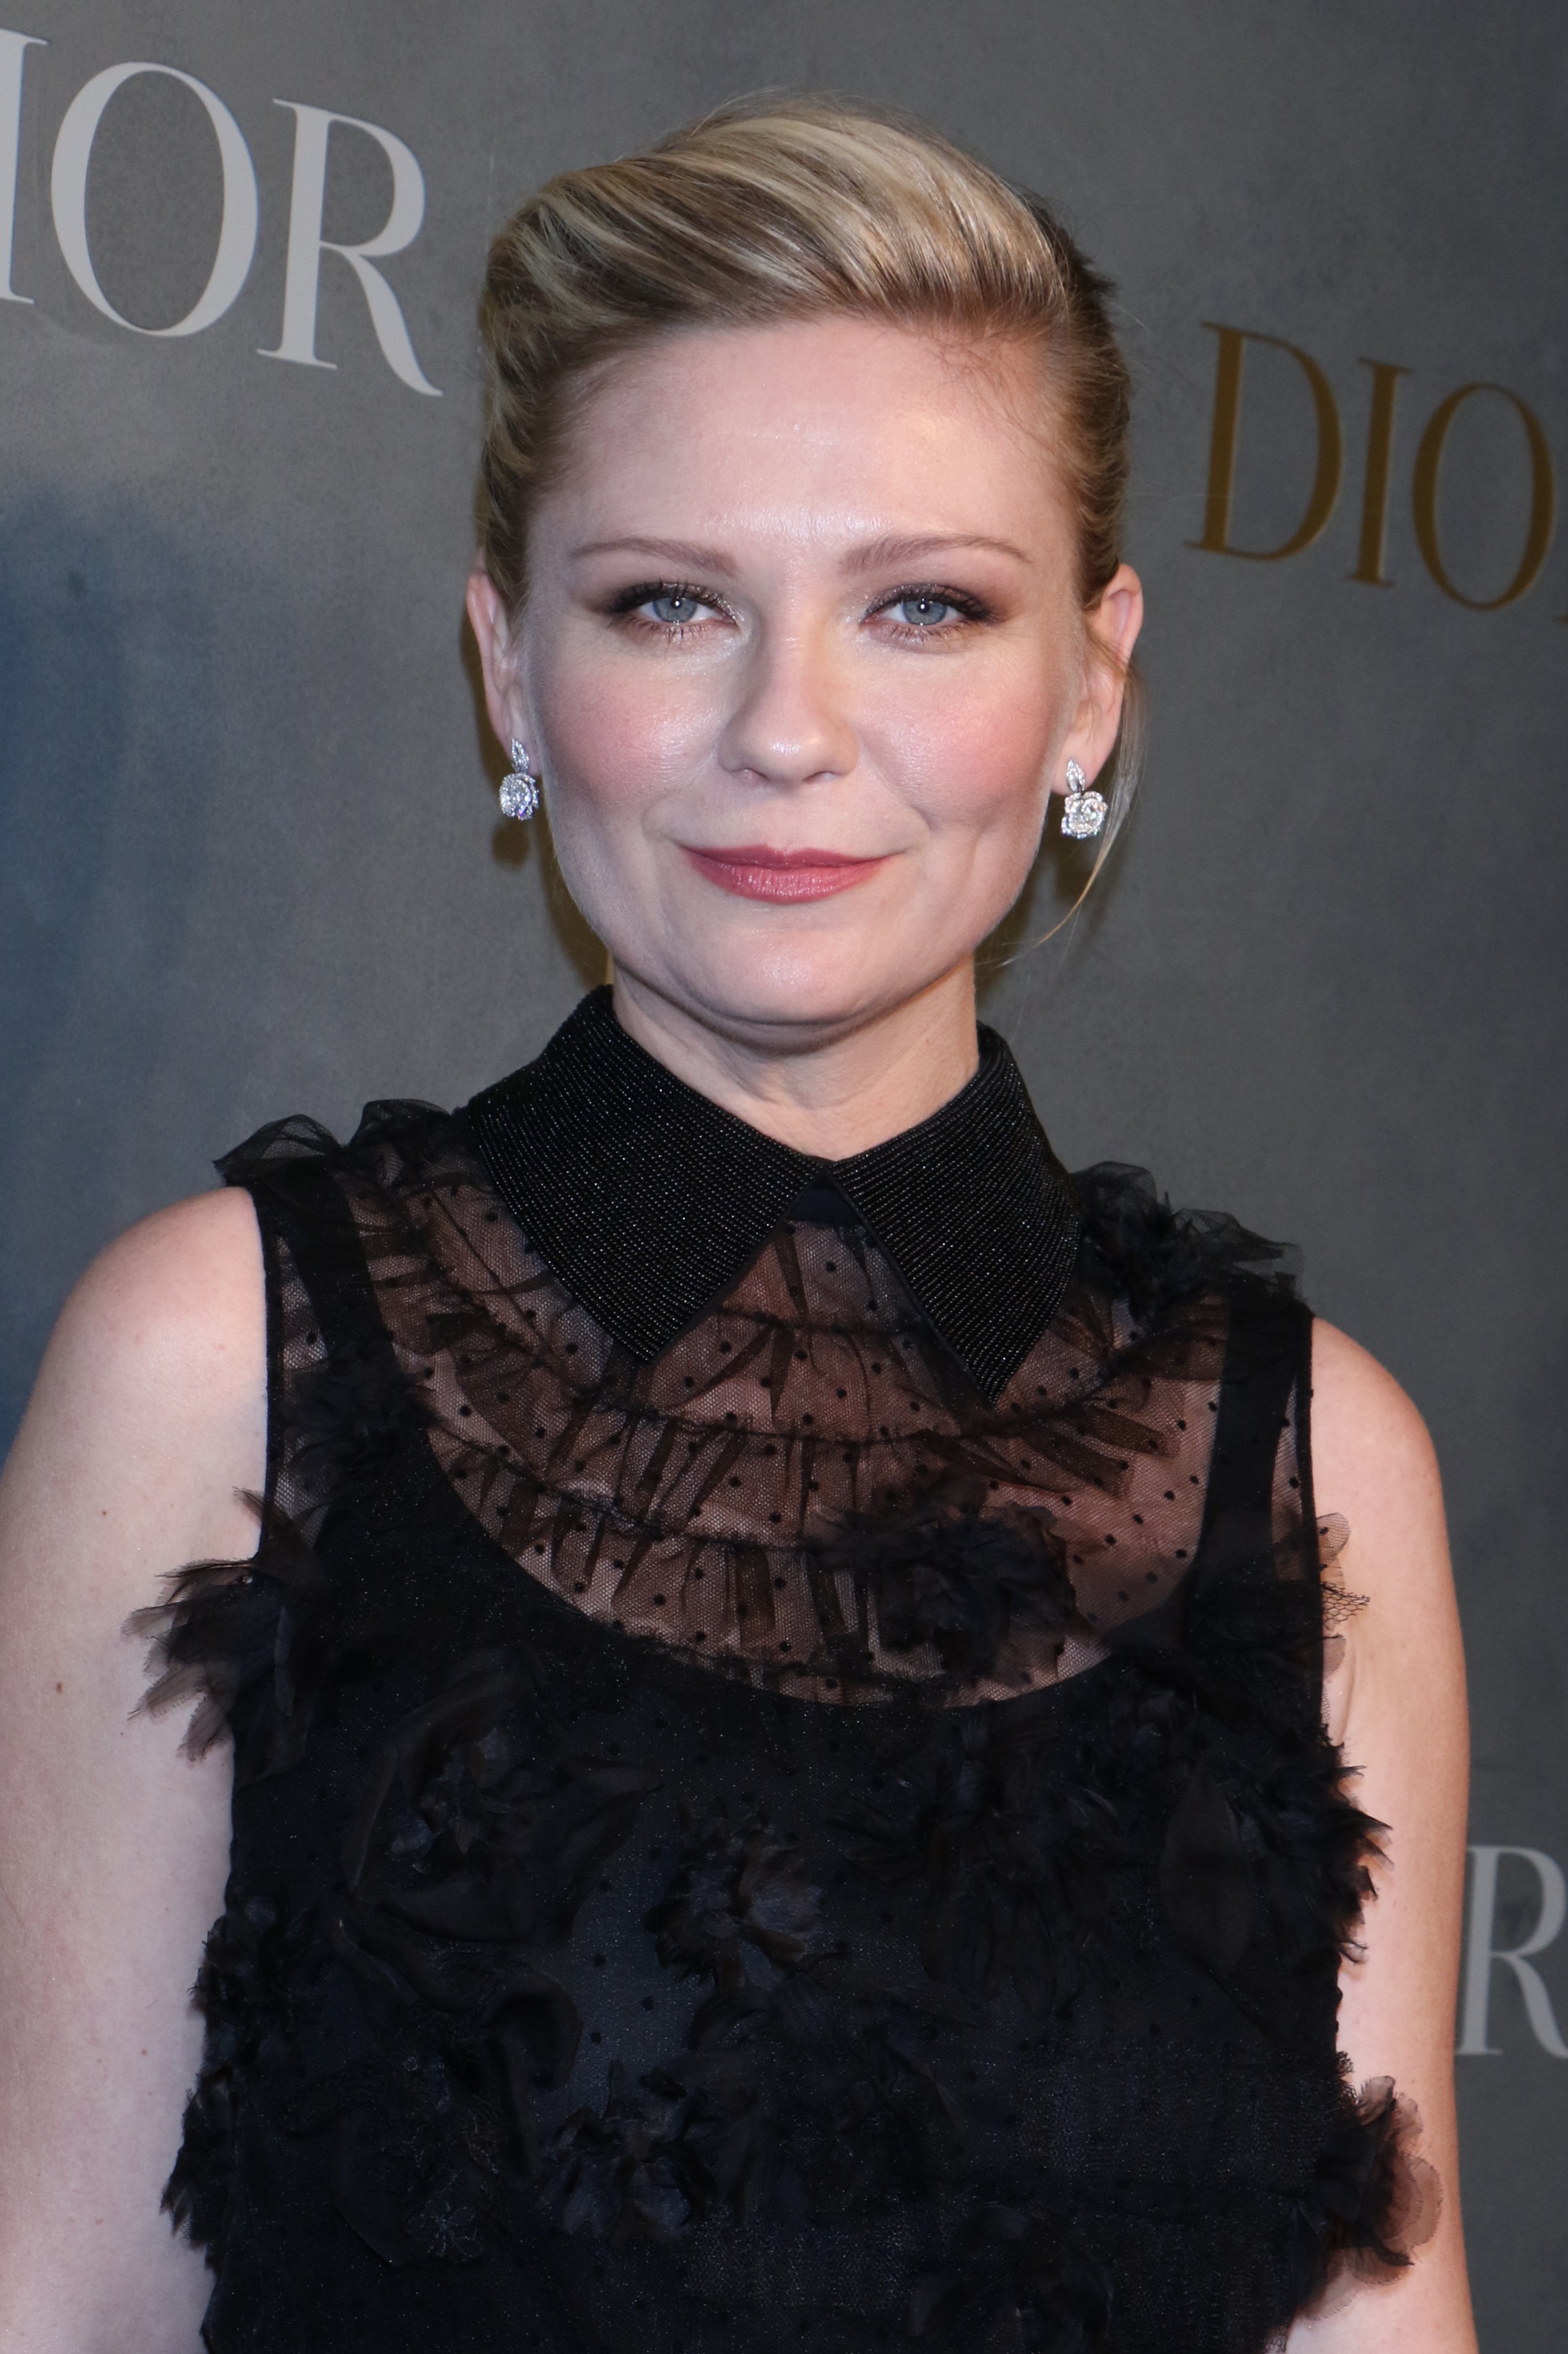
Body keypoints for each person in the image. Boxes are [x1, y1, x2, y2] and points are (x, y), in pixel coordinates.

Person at [0, 98, 1473, 2354]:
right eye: (669, 603)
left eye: (924, 607)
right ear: (510, 666)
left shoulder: (1308, 1458)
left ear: (1089, 685)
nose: (789, 729)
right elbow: (60, 2293)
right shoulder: (226, 1362)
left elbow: (1373, 2314)